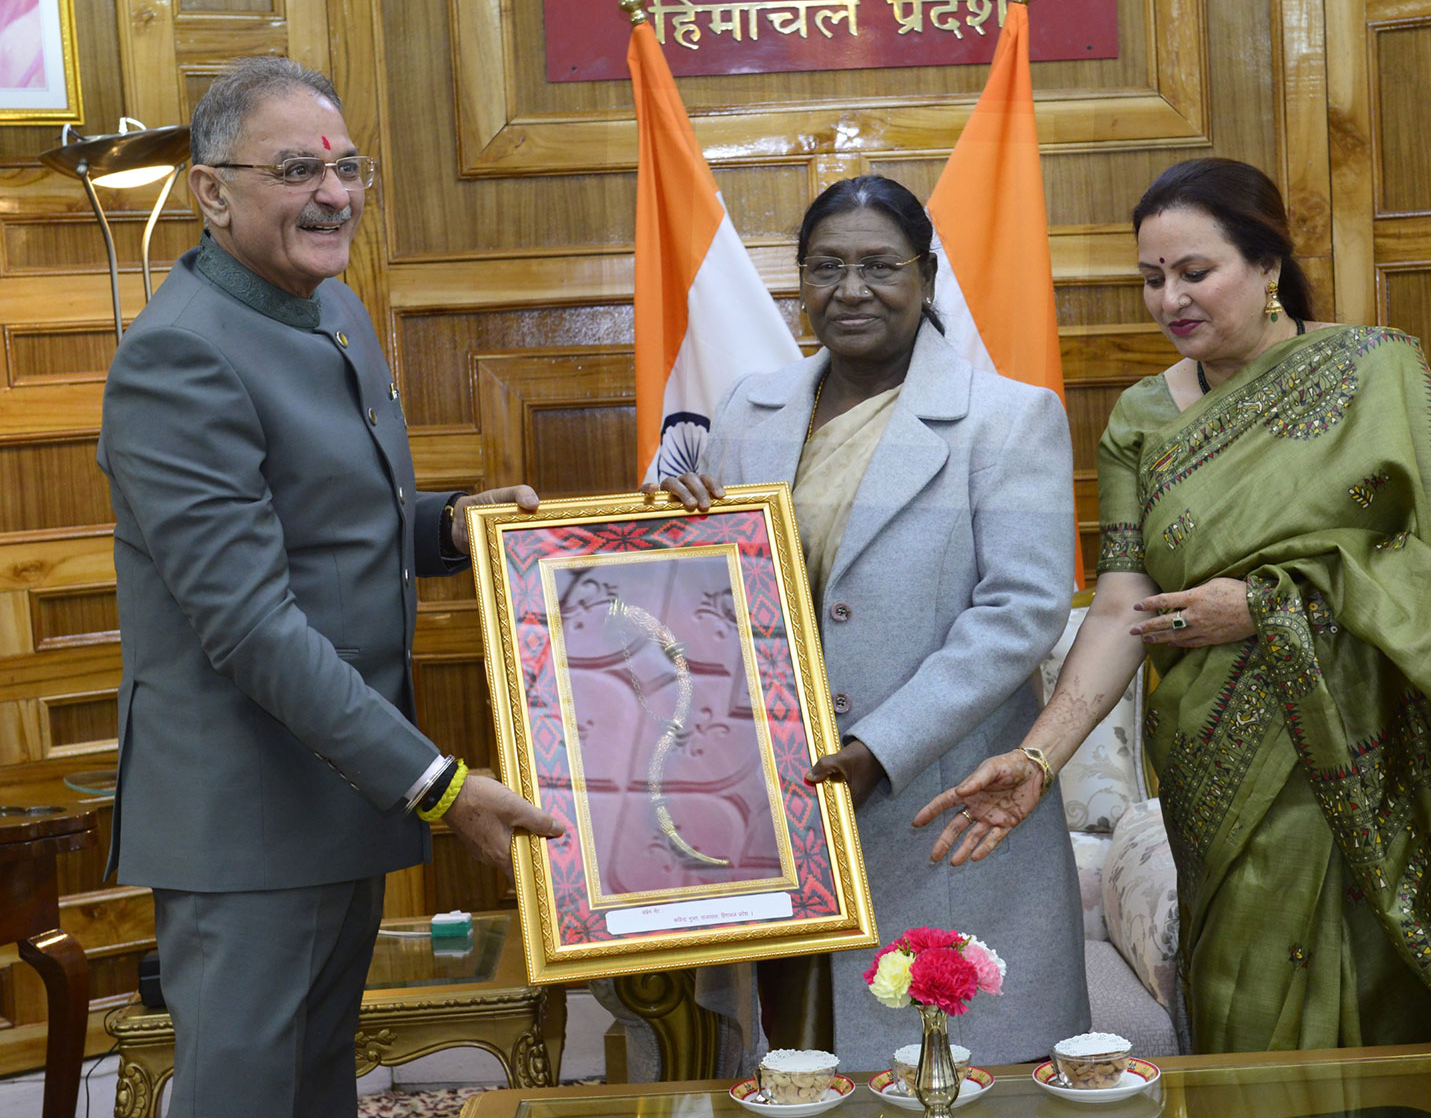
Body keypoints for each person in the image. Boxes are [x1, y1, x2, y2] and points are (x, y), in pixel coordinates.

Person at [915, 157, 1431, 1115]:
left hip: (1380, 756)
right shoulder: (1141, 418)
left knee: (1396, 1024)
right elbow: (1121, 606)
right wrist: (1038, 758)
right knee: (1252, 1008)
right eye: (1152, 278)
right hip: (1222, 767)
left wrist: (1274, 605)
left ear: (1268, 263)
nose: (1170, 299)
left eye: (1195, 271)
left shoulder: (1375, 369)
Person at [97, 56, 564, 1118]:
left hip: (335, 794)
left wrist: (449, 524)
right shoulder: (179, 359)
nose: (335, 194)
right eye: (297, 170)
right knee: (247, 1099)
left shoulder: (330, 307)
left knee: (315, 1095)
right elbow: (251, 623)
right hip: (249, 819)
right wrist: (437, 786)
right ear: (212, 192)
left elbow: (321, 524)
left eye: (349, 167)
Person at [656, 175, 1086, 1071]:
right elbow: (721, 594)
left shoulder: (1008, 420)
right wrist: (680, 530)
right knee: (799, 1066)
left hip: (935, 808)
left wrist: (876, 750)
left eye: (879, 266)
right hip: (781, 812)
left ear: (925, 277)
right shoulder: (747, 411)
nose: (850, 290)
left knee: (951, 1074)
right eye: (826, 267)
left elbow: (1023, 610)